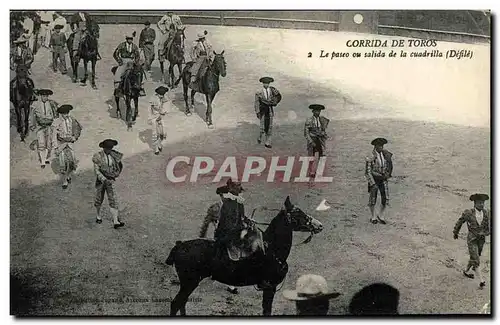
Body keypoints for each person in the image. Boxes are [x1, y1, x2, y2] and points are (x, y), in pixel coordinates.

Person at [453, 193, 491, 288]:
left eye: (482, 203)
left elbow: (489, 226)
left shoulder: (487, 213)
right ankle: (481, 281)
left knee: (474, 257)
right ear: (474, 204)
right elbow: (460, 221)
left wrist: (487, 233)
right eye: (479, 203)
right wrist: (455, 232)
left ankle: (466, 271)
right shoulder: (468, 213)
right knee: (476, 259)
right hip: (472, 239)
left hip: (481, 240)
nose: (481, 205)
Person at [92, 139, 125, 229]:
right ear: (104, 148)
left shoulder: (114, 155)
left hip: (110, 180)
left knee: (113, 199)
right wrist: (103, 179)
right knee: (99, 198)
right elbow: (97, 170)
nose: (109, 150)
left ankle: (115, 221)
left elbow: (118, 166)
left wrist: (115, 174)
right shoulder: (97, 156)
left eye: (110, 148)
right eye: (107, 148)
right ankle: (98, 216)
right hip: (101, 181)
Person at [52, 104, 82, 189]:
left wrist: (75, 137)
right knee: (63, 162)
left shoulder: (72, 120)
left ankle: (68, 175)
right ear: (61, 114)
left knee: (72, 161)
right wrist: (55, 146)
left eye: (67, 113)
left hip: (70, 143)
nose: (66, 115)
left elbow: (77, 129)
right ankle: (64, 180)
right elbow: (53, 135)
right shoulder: (56, 122)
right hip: (61, 144)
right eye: (64, 113)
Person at [365, 137, 393, 224]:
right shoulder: (370, 156)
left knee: (385, 198)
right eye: (379, 146)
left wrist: (388, 174)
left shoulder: (385, 154)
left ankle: (380, 215)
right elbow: (368, 172)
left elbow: (389, 165)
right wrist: (372, 183)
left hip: (383, 178)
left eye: (382, 146)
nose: (381, 147)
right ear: (375, 146)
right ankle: (373, 216)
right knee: (373, 198)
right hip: (374, 179)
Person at [29, 89, 59, 168]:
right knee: (41, 143)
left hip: (49, 125)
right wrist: (32, 124)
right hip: (40, 126)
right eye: (43, 96)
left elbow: (56, 114)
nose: (45, 98)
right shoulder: (35, 104)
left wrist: (55, 123)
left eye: (46, 96)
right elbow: (32, 115)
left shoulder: (52, 103)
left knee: (48, 144)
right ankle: (43, 162)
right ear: (40, 96)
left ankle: (45, 158)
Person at [254, 76, 282, 148]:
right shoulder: (258, 92)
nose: (266, 84)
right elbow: (256, 103)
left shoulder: (272, 90)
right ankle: (260, 137)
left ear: (269, 84)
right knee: (262, 128)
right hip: (262, 111)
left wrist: (275, 102)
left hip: (269, 110)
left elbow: (278, 97)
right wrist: (257, 112)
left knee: (269, 127)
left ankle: (267, 142)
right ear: (262, 83)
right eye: (264, 83)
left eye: (267, 83)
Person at [304, 104, 330, 177]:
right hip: (312, 139)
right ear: (313, 111)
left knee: (321, 156)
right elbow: (306, 133)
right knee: (311, 156)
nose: (318, 112)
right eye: (316, 111)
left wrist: (323, 134)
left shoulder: (322, 119)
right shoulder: (309, 120)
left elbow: (323, 130)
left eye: (319, 111)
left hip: (319, 140)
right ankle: (311, 172)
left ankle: (318, 171)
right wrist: (310, 141)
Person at [148, 86, 169, 155]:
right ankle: (156, 148)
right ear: (157, 94)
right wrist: (151, 118)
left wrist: (163, 112)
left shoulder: (163, 98)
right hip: (154, 117)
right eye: (161, 95)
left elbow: (166, 104)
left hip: (160, 117)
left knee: (163, 133)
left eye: (163, 95)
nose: (162, 96)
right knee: (155, 133)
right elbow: (152, 109)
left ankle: (159, 143)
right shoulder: (153, 99)